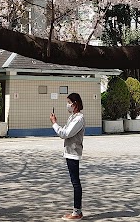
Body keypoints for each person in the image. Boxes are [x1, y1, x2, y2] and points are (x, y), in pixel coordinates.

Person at [50, 92, 86, 220]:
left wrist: (54, 123)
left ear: (75, 104)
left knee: (76, 183)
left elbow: (65, 133)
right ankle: (76, 211)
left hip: (74, 153)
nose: (68, 105)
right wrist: (57, 124)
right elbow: (65, 130)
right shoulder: (72, 117)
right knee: (74, 182)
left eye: (69, 102)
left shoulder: (78, 119)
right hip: (69, 152)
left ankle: (77, 212)